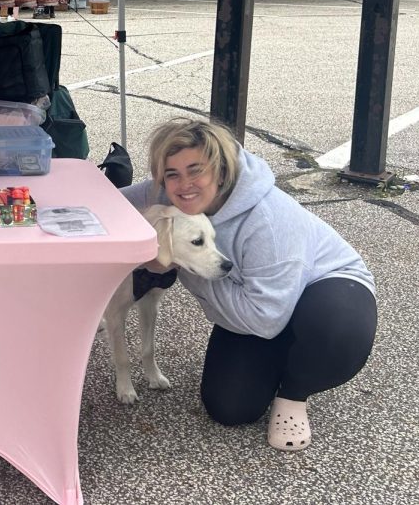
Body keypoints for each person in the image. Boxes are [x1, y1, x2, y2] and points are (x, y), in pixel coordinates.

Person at [119, 117, 377, 451]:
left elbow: (264, 320)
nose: (184, 184)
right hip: (253, 298)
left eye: (196, 170)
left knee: (338, 331)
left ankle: (294, 392)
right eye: (172, 174)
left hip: (325, 287)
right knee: (230, 408)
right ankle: (281, 353)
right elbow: (114, 203)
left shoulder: (268, 220)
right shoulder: (171, 194)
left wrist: (181, 264)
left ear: (221, 171)